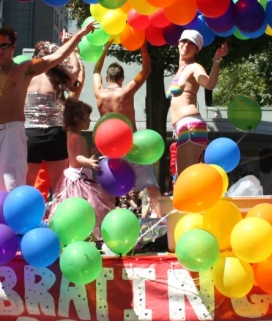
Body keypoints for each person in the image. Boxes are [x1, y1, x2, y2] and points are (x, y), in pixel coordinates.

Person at [0, 20, 97, 223]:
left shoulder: (25, 69)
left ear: (12, 47)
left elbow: (57, 56)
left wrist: (79, 35)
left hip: (12, 133)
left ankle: (17, 234)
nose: (0, 50)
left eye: (4, 46)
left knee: (13, 189)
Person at [93, 42, 161, 216]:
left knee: (109, 189)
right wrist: (143, 47)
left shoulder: (100, 93)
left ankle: (105, 227)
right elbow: (146, 70)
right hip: (132, 145)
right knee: (151, 185)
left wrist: (105, 48)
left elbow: (95, 72)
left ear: (107, 78)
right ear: (121, 78)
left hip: (110, 149)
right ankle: (163, 222)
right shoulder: (126, 92)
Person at [49, 98, 115, 240]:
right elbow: (76, 157)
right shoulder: (75, 138)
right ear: (77, 119)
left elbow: (80, 156)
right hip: (78, 181)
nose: (90, 120)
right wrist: (88, 161)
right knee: (89, 206)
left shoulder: (75, 137)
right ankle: (86, 233)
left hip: (81, 176)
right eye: (87, 117)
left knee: (86, 207)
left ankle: (80, 233)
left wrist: (89, 155)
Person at [168, 30, 229, 177]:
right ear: (178, 43)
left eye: (192, 43)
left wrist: (216, 61)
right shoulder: (180, 70)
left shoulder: (194, 67)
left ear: (197, 49)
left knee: (186, 178)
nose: (186, 45)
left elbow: (209, 84)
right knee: (186, 177)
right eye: (184, 41)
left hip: (190, 127)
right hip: (185, 128)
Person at [24, 41, 73, 190]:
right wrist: (74, 51)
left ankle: (26, 213)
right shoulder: (58, 79)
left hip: (30, 135)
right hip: (55, 134)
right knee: (60, 187)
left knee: (25, 187)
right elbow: (76, 71)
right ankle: (58, 213)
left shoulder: (25, 76)